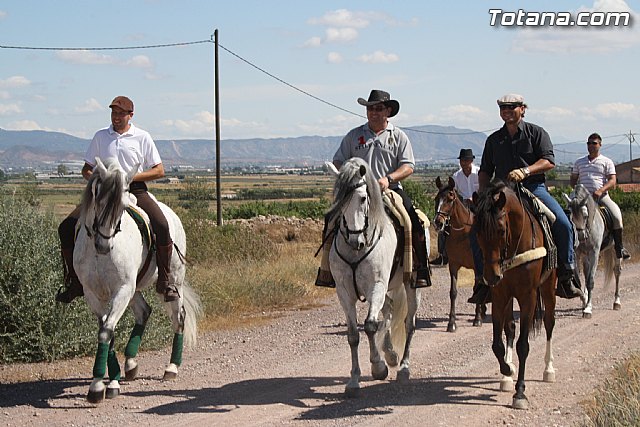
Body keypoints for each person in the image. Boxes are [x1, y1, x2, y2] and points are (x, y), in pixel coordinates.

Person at [56, 96, 179, 303]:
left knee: (162, 225)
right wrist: (98, 180)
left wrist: (130, 177)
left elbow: (159, 170)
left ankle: (166, 282)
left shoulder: (142, 137)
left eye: (121, 114)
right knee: (66, 227)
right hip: (104, 193)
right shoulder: (101, 136)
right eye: (114, 113)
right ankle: (74, 282)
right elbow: (86, 169)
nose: (116, 117)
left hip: (135, 190)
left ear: (131, 115)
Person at [468, 93, 583, 303]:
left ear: (522, 109)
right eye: (503, 108)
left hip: (533, 188)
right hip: (502, 193)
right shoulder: (494, 140)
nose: (506, 111)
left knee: (563, 224)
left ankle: (566, 274)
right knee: (477, 229)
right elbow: (485, 171)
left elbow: (548, 161)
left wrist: (526, 171)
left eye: (511, 107)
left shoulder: (537, 133)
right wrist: (484, 195)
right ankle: (482, 280)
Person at [315, 89, 431, 288]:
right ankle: (327, 271)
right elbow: (339, 160)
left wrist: (388, 178)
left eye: (378, 108)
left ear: (388, 111)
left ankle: (419, 269)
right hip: (358, 191)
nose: (373, 112)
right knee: (331, 219)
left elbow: (408, 166)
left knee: (411, 220)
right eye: (370, 109)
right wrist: (347, 174)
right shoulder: (354, 136)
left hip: (389, 190)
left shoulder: (398, 136)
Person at [570, 132, 630, 260]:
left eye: (594, 143)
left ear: (600, 145)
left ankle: (619, 247)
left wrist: (601, 190)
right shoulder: (579, 162)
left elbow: (612, 181)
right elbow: (573, 179)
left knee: (616, 216)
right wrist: (576, 188)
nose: (591, 145)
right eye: (589, 143)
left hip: (601, 197)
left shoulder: (606, 162)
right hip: (582, 198)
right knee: (566, 213)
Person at [430, 148, 480, 267]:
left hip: (478, 204)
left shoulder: (479, 173)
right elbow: (453, 192)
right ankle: (442, 255)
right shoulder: (456, 176)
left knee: (486, 224)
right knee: (445, 227)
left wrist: (474, 198)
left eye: (466, 160)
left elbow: (484, 188)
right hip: (462, 206)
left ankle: (487, 252)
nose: (463, 163)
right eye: (462, 160)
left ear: (471, 161)